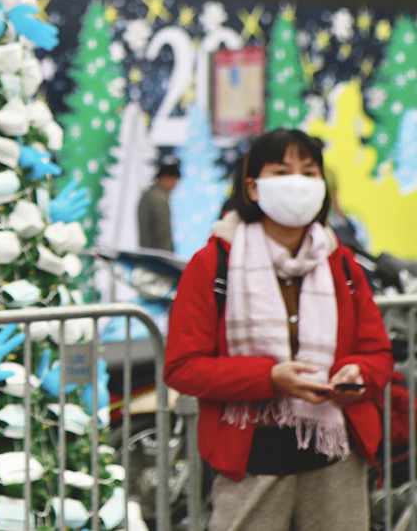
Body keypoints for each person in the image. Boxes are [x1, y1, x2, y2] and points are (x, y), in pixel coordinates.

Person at [164, 128, 393, 531]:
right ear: (253, 187)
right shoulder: (212, 264)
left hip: (334, 458)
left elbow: (377, 354)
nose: (299, 184)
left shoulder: (342, 264)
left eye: (309, 172)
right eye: (283, 171)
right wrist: (268, 378)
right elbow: (183, 367)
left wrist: (358, 373)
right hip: (252, 461)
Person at [137, 157, 181, 252]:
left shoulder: (147, 195)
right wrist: (169, 257)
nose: (174, 186)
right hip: (158, 257)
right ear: (164, 177)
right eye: (174, 181)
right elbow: (163, 234)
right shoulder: (159, 200)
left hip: (147, 255)